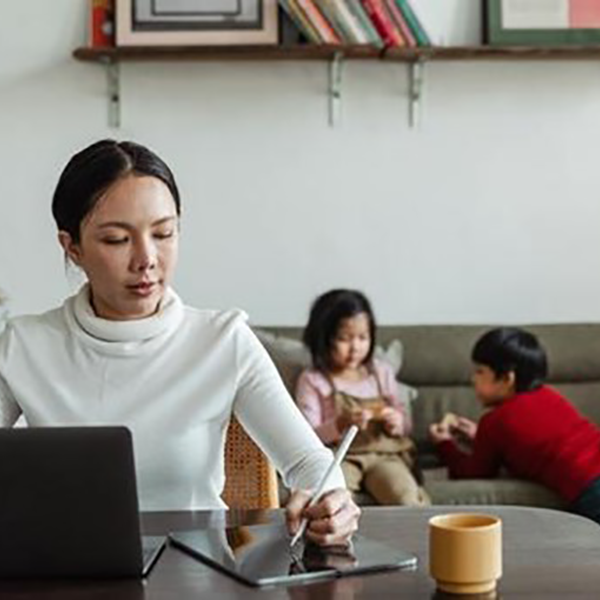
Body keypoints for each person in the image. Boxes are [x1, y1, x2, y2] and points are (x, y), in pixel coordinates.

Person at [0, 139, 360, 546]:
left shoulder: (223, 341)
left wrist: (332, 500)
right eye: (117, 239)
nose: (146, 258)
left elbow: (309, 461)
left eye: (164, 233)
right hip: (66, 572)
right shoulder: (24, 346)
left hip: (196, 577)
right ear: (72, 247)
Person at [429, 327, 600, 525]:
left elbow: (473, 471)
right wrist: (479, 436)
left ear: (507, 379)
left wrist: (444, 444)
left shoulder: (494, 421)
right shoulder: (550, 395)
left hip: (590, 487)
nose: (473, 379)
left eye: (480, 371)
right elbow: (538, 439)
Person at [295, 289, 428, 506]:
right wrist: (340, 423)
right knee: (332, 501)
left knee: (406, 499)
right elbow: (307, 437)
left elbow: (405, 425)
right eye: (344, 339)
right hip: (341, 457)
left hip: (384, 455)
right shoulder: (313, 380)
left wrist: (396, 423)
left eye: (362, 337)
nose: (355, 347)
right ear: (323, 338)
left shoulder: (380, 373)